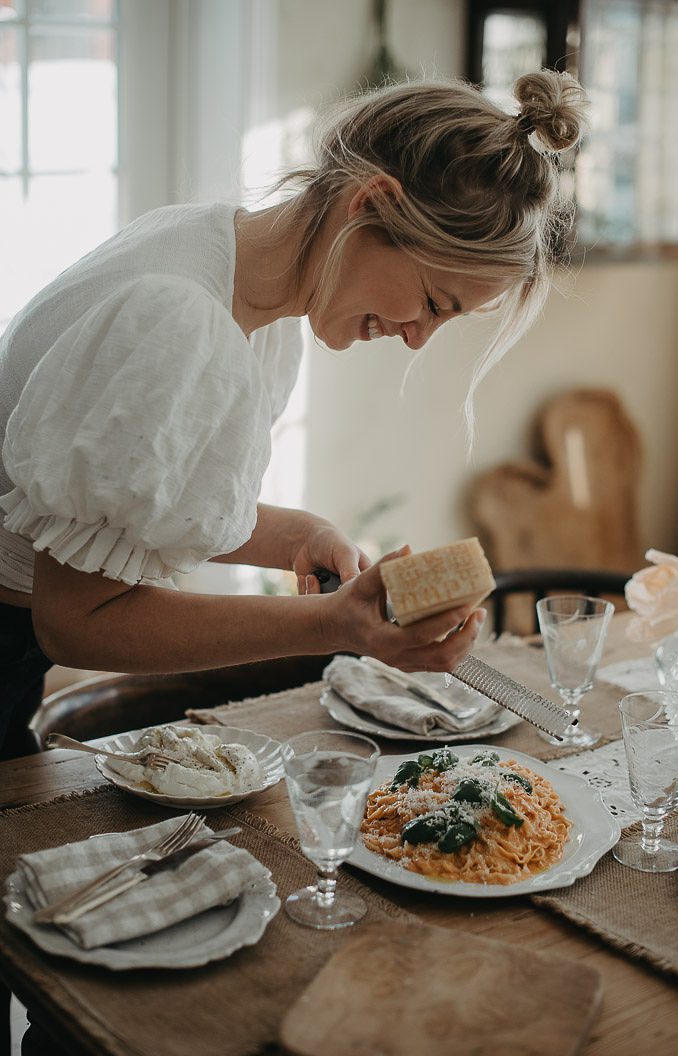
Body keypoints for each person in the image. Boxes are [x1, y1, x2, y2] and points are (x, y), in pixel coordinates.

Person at [0, 69, 589, 759]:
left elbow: (117, 502)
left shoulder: (237, 274)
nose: (417, 337)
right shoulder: (179, 319)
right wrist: (330, 626)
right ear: (370, 205)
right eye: (433, 302)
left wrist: (294, 535)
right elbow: (76, 624)